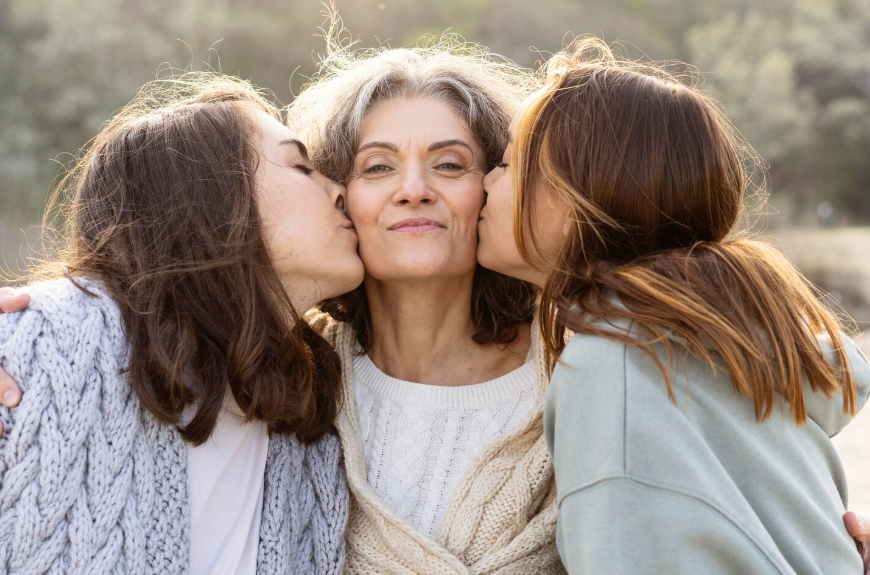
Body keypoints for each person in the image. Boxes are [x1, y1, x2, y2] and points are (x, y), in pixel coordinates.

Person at [476, 37, 870, 574]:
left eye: (506, 164)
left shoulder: (613, 368)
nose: (486, 182)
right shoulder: (737, 346)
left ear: (573, 201)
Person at [0, 74, 360, 574]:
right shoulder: (44, 343)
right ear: (212, 198)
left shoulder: (309, 407)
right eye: (301, 167)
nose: (341, 192)